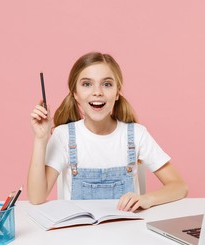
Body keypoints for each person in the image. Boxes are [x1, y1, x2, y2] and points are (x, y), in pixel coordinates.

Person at [28, 52, 188, 212]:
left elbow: (179, 186)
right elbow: (36, 197)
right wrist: (40, 139)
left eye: (106, 84)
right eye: (86, 84)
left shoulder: (137, 134)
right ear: (75, 94)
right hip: (79, 234)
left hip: (128, 231)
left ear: (117, 92)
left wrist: (146, 199)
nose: (97, 92)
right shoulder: (64, 136)